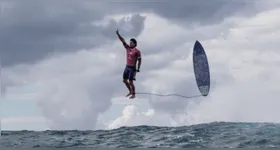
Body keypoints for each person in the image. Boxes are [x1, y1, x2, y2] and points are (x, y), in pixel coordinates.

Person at [116, 29, 142, 99]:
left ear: (135, 44)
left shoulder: (137, 51)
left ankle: (133, 94)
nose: (130, 44)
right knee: (124, 80)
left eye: (131, 43)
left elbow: (140, 60)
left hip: (132, 68)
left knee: (131, 82)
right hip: (127, 67)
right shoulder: (127, 48)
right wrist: (118, 35)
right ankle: (130, 91)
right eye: (130, 42)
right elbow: (123, 41)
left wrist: (138, 68)